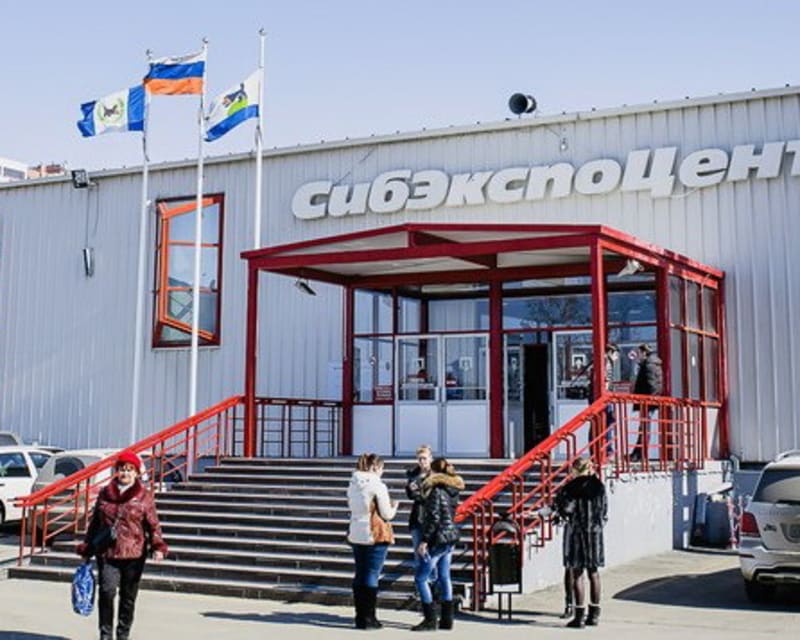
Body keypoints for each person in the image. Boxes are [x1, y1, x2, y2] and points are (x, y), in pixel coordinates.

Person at [77, 451, 167, 640]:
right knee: (106, 592)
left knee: (128, 597)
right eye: (122, 469)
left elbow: (153, 524)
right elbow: (95, 523)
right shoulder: (105, 493)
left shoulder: (144, 496)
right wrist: (87, 548)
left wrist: (158, 546)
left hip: (134, 554)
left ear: (136, 473)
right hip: (107, 553)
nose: (125, 473)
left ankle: (123, 635)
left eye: (129, 470)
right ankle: (105, 635)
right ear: (116, 471)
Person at [554, 457, 608, 628]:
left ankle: (579, 616)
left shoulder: (570, 487)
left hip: (577, 533)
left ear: (575, 470)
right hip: (595, 533)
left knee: (577, 573)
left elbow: (566, 509)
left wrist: (558, 510)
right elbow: (604, 511)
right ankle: (594, 614)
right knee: (594, 572)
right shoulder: (599, 486)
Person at [412, 457, 464, 632]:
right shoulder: (453, 489)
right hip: (450, 536)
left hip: (438, 538)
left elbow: (434, 518)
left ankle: (430, 619)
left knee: (421, 578)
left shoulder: (436, 490)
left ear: (434, 471)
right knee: (444, 576)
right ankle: (447, 619)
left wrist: (425, 541)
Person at [347, 453, 398, 630]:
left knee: (360, 573)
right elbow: (386, 513)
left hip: (356, 531)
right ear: (376, 467)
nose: (382, 472)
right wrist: (394, 508)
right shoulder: (377, 485)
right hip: (374, 532)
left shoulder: (353, 484)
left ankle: (360, 616)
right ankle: (370, 618)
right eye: (382, 468)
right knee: (372, 574)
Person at [630, 343, 663, 461]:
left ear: (644, 352)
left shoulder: (649, 365)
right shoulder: (651, 363)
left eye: (639, 353)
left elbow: (652, 383)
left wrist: (649, 401)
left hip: (647, 402)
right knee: (644, 427)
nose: (638, 355)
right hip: (648, 401)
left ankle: (639, 454)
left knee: (644, 428)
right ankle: (638, 453)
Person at [405, 444, 434, 578]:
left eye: (424, 458)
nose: (422, 461)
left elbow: (430, 496)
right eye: (419, 459)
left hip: (430, 517)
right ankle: (420, 584)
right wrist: (413, 490)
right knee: (418, 554)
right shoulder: (414, 474)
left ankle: (432, 584)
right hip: (417, 517)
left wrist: (418, 492)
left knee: (430, 556)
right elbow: (411, 495)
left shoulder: (435, 475)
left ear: (430, 458)